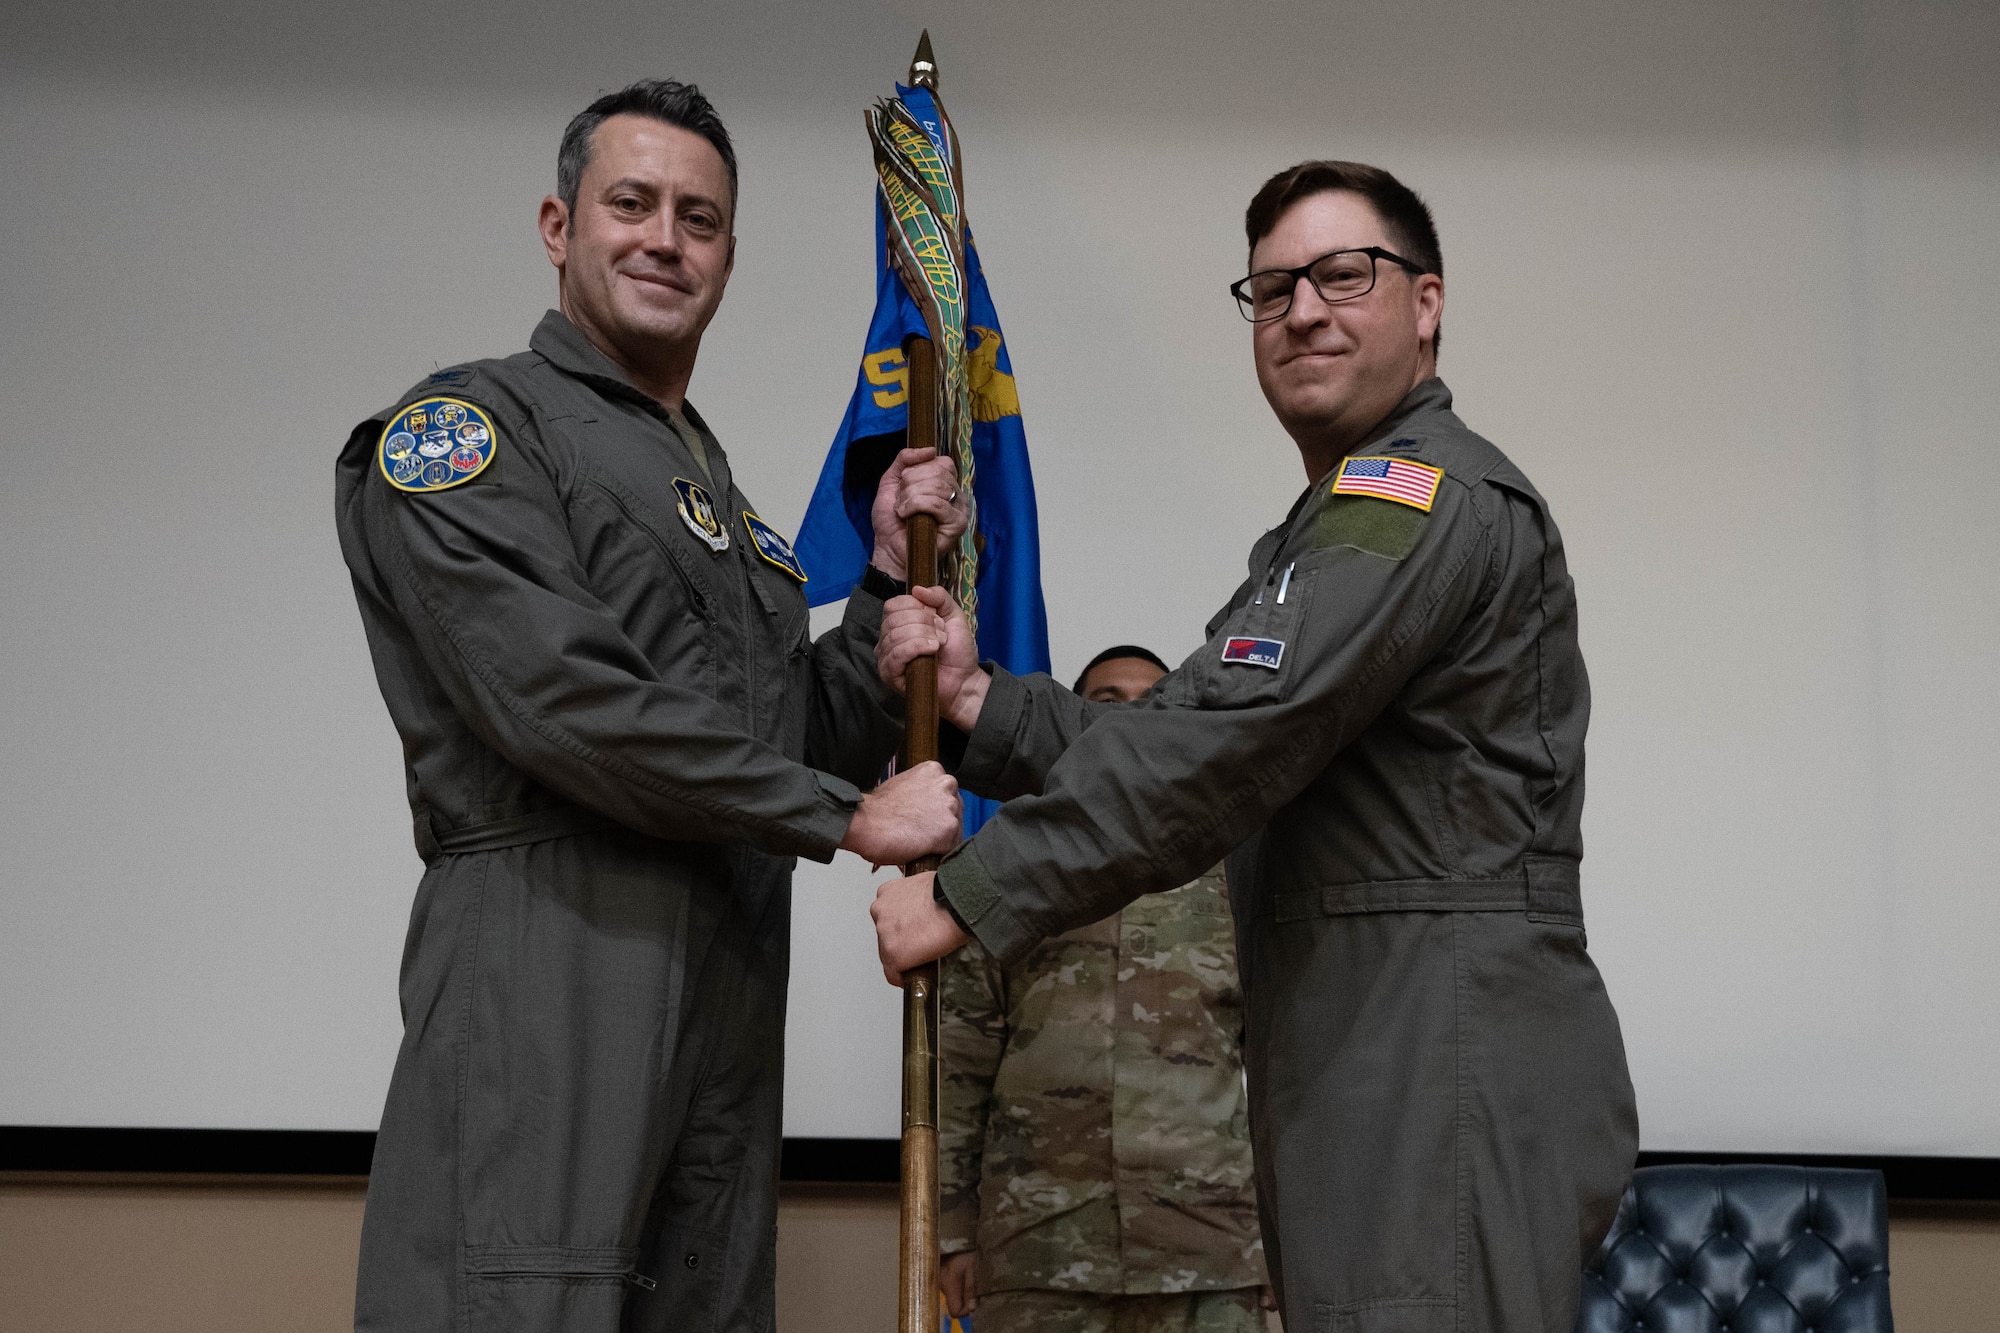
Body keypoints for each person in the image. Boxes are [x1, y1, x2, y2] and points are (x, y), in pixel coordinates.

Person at [870, 160, 1639, 1333]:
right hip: (1374, 1053)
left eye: (1343, 275)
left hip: (1435, 1059)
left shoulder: (1419, 499)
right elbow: (1184, 725)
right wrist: (982, 702)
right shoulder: (1324, 526)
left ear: (1424, 303)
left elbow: (1225, 744)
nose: (1302, 311)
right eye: (1272, 288)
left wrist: (974, 892)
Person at [332, 79, 967, 1333]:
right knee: (521, 1304)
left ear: (728, 255)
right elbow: (563, 704)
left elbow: (762, 730)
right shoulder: (472, 430)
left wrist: (880, 589)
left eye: (699, 216)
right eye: (630, 203)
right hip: (556, 945)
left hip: (726, 960)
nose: (664, 238)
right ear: (558, 225)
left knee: (705, 1307)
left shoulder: (721, 497)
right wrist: (847, 818)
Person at [936, 645, 1269, 1333]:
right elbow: (962, 1055)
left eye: (1149, 705)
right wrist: (953, 1227)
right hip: (1040, 1245)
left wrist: (1286, 1239)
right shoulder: (1007, 863)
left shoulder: (1237, 875)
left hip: (1209, 1245)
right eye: (1102, 706)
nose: (1123, 723)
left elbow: (1283, 1068)